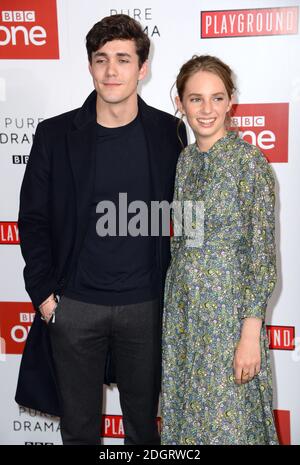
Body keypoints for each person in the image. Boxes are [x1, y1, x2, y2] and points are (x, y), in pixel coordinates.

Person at [16, 14, 187, 445]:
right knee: (79, 432)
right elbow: (33, 219)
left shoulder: (169, 133)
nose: (112, 71)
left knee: (144, 432)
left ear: (142, 68)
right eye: (102, 59)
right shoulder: (55, 135)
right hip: (75, 307)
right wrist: (45, 297)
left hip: (147, 307)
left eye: (124, 59)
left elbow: (188, 218)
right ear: (90, 66)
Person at [161, 55, 279, 445]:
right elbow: (182, 242)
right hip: (184, 312)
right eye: (195, 99)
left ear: (231, 102)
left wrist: (250, 332)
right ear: (180, 102)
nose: (206, 109)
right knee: (187, 423)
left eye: (217, 98)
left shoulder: (250, 163)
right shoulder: (185, 161)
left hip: (229, 315)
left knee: (231, 423)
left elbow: (261, 255)